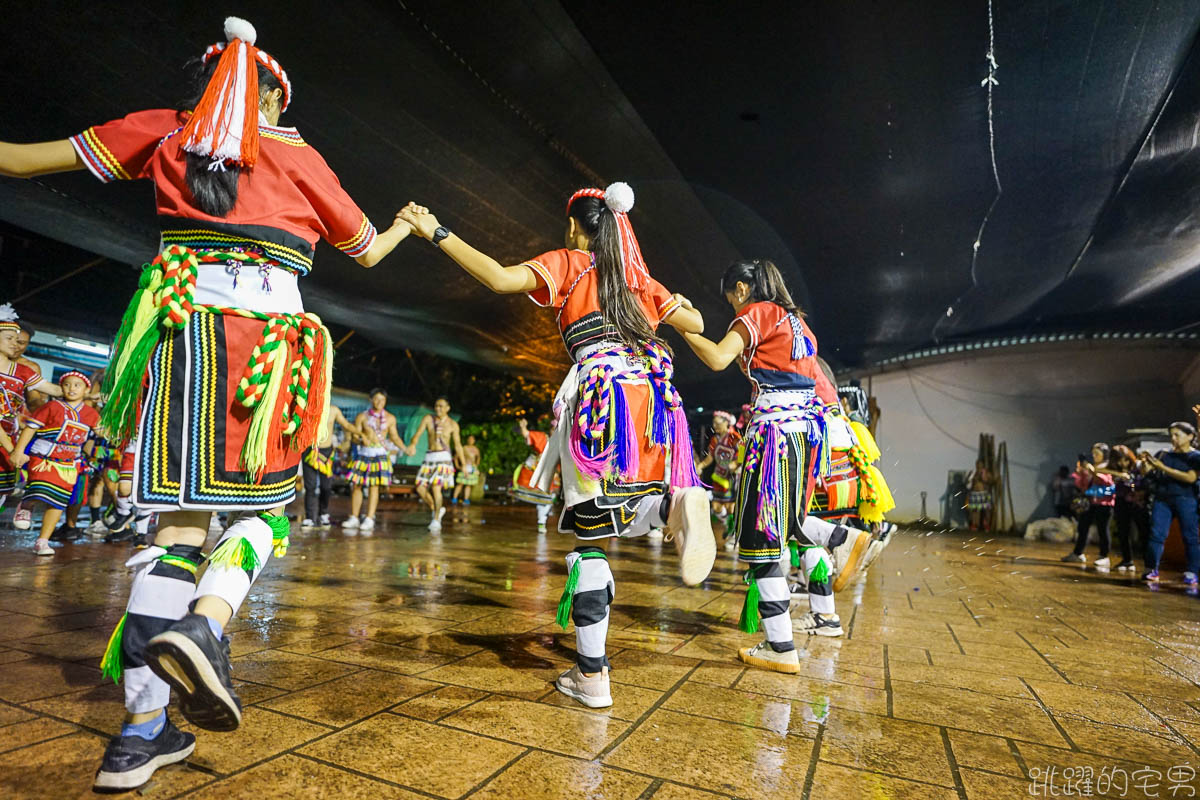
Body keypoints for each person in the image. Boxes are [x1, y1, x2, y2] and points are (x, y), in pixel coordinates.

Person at [0, 17, 413, 790]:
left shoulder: (163, 132)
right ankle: (207, 627)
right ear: (275, 100)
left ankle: (139, 736)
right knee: (265, 516)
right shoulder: (295, 153)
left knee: (176, 532)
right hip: (267, 355)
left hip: (178, 336)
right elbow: (363, 247)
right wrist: (405, 226)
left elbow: (21, 160)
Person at [399, 182, 714, 709]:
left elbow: (500, 278)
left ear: (575, 225)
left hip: (600, 396)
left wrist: (436, 232)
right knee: (629, 504)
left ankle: (593, 676)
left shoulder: (569, 262)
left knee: (590, 537)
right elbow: (698, 323)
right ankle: (673, 505)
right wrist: (674, 301)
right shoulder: (638, 278)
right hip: (654, 399)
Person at [679, 259, 873, 665]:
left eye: (730, 297)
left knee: (761, 535)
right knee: (784, 522)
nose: (732, 309)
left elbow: (717, 358)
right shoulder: (796, 321)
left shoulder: (756, 313)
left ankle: (781, 646)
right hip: (804, 437)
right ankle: (839, 538)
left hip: (775, 437)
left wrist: (683, 328)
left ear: (742, 289)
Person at [8, 371, 100, 556]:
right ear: (61, 388)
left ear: (86, 389)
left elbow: (103, 432)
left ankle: (42, 541)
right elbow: (30, 429)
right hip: (43, 459)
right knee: (40, 488)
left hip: (68, 464)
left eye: (77, 385)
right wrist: (18, 450)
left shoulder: (91, 413)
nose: (71, 388)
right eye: (67, 384)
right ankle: (27, 504)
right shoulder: (51, 406)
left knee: (57, 503)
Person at [0, 307, 62, 522]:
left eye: (18, 341)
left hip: (10, 438)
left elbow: (51, 391)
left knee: (3, 490)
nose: (15, 345)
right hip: (7, 443)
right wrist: (12, 450)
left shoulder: (25, 370)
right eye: (10, 339)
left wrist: (82, 391)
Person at [1140, 422, 1200, 586]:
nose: (1173, 439)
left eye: (1177, 435)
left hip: (1186, 499)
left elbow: (1190, 478)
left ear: (1190, 436)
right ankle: (1151, 568)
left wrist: (1163, 467)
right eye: (1171, 435)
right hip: (1163, 498)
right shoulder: (1164, 454)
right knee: (1156, 534)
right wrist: (1146, 464)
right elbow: (1149, 474)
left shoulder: (1194, 457)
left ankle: (1192, 572)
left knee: (1190, 537)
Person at [345, 391, 404, 532]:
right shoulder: (362, 416)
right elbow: (354, 436)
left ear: (385, 401)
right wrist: (360, 439)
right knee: (356, 485)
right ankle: (354, 517)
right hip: (364, 453)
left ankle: (369, 518)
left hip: (380, 454)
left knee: (374, 486)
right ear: (371, 399)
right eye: (376, 399)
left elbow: (394, 437)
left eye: (382, 400)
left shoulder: (390, 418)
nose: (379, 402)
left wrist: (405, 448)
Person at [405, 397, 465, 532]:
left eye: (441, 406)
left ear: (448, 408)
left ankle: (436, 520)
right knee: (420, 488)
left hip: (443, 458)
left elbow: (458, 445)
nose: (438, 409)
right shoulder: (428, 419)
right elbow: (418, 434)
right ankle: (435, 509)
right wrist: (413, 444)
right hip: (429, 457)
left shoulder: (453, 425)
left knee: (436, 488)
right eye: (436, 406)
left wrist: (464, 464)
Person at [301, 406, 358, 530]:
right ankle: (310, 517)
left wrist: (360, 433)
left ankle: (324, 514)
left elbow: (347, 426)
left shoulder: (333, 410)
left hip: (327, 452)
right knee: (309, 487)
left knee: (326, 486)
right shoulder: (307, 406)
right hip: (309, 450)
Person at [1062, 444, 1115, 569]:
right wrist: (1081, 474)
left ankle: (1104, 556)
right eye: (1093, 453)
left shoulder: (1109, 467)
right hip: (1090, 502)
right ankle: (1078, 553)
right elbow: (1084, 485)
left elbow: (1107, 482)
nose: (1094, 456)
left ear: (1105, 454)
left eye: (1097, 453)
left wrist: (1092, 471)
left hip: (1104, 503)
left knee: (1103, 529)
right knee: (1083, 527)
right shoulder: (1092, 467)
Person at [510, 418, 560, 532]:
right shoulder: (542, 437)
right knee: (544, 499)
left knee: (547, 499)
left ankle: (542, 521)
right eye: (554, 429)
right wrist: (523, 427)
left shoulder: (562, 443)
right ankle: (541, 522)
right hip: (535, 472)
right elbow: (528, 435)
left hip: (550, 475)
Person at [1104, 445, 1149, 573]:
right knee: (1123, 531)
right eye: (1118, 460)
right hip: (1121, 501)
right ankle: (1127, 560)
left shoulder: (1138, 466)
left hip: (1137, 502)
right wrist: (1119, 474)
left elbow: (1146, 479)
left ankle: (1149, 564)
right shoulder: (1115, 469)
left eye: (1125, 459)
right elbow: (1097, 469)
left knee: (1143, 532)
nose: (1122, 463)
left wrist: (1136, 488)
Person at [695, 410, 742, 525]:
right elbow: (710, 457)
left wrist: (735, 464)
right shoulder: (715, 439)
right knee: (716, 506)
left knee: (731, 507)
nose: (715, 426)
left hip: (731, 477)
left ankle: (732, 532)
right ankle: (728, 525)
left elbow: (742, 455)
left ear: (727, 422)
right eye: (714, 423)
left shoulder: (735, 438)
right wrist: (701, 465)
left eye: (718, 423)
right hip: (718, 476)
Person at [452, 434, 481, 505]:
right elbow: (455, 457)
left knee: (469, 484)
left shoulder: (476, 449)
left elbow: (478, 458)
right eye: (469, 439)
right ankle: (454, 498)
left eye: (472, 439)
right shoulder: (464, 448)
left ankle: (466, 499)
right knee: (460, 483)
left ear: (474, 441)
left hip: (472, 468)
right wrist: (458, 466)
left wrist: (476, 465)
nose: (471, 440)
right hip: (464, 467)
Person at [965, 459, 993, 531]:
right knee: (975, 510)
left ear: (982, 465)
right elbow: (967, 483)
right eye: (977, 463)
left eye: (980, 464)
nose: (978, 465)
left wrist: (983, 478)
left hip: (983, 493)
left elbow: (990, 481)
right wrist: (969, 479)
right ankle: (975, 525)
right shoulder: (973, 472)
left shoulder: (985, 472)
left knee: (986, 510)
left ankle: (986, 525)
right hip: (974, 494)